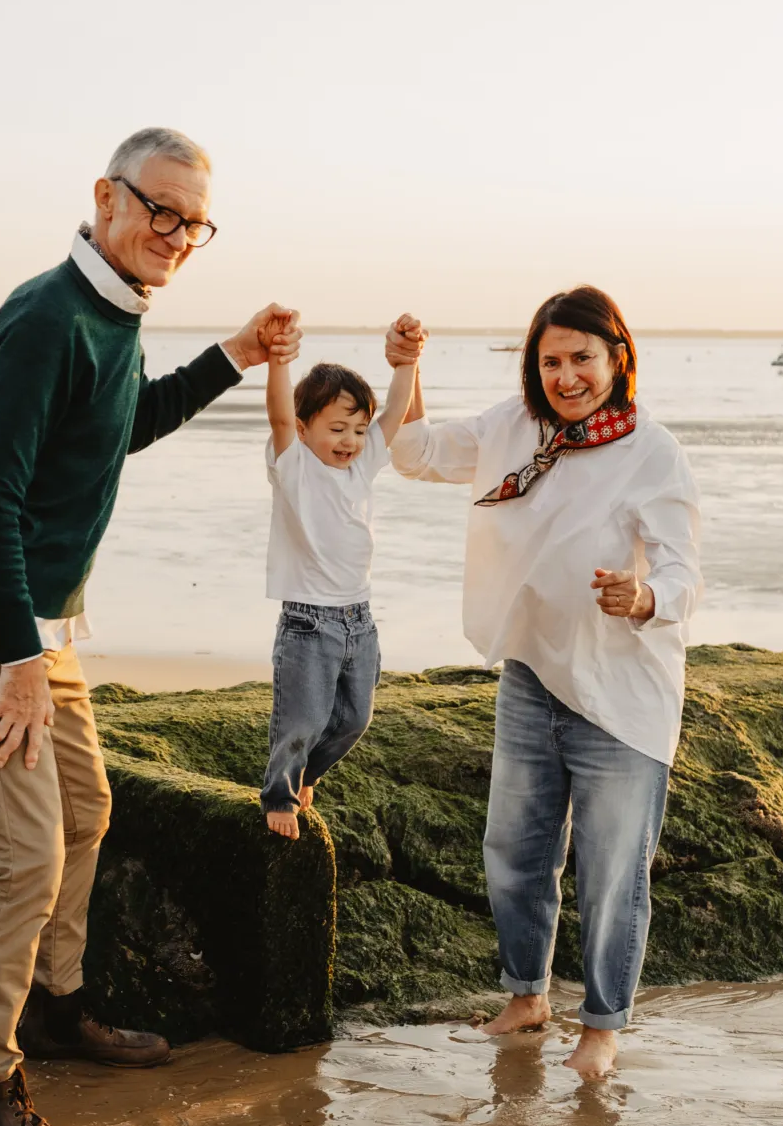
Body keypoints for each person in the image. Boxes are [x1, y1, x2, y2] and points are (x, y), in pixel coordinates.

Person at [0, 126, 300, 1126]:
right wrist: (13, 660)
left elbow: (120, 426)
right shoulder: (50, 318)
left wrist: (233, 354)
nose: (175, 234)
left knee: (87, 810)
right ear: (106, 196)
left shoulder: (110, 315)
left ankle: (56, 1008)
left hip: (43, 624)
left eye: (194, 222)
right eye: (158, 210)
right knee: (29, 851)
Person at [386, 287, 701, 1080]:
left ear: (617, 358)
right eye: (551, 361)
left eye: (582, 359)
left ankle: (601, 1027)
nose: (566, 377)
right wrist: (407, 366)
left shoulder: (651, 449)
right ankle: (527, 997)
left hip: (621, 693)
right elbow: (414, 450)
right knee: (516, 851)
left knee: (611, 870)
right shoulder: (514, 428)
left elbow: (683, 570)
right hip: (532, 674)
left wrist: (647, 598)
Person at [261, 319, 425, 840]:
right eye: (336, 429)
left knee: (355, 718)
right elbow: (279, 415)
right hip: (309, 620)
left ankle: (306, 775)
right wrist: (280, 359)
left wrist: (407, 363)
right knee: (301, 721)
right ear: (305, 428)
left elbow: (395, 414)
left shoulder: (361, 467)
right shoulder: (294, 466)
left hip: (360, 616)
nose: (350, 441)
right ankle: (280, 795)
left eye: (357, 429)